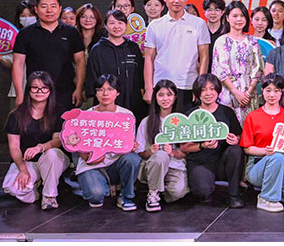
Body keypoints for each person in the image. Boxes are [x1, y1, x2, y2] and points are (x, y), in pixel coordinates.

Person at [2, 71, 70, 210]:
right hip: (28, 162)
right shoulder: (16, 115)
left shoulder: (58, 112)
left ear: (50, 90)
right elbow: (14, 147)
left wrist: (39, 148)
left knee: (52, 154)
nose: (40, 91)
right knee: (13, 188)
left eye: (44, 88)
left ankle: (49, 196)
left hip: (53, 159)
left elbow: (57, 141)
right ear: (28, 90)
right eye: (35, 88)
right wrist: (23, 169)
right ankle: (36, 188)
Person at [75, 74, 142, 210]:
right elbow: (79, 148)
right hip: (92, 165)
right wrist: (88, 157)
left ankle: (126, 196)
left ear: (117, 92)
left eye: (110, 89)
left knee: (132, 159)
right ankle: (102, 185)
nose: (105, 93)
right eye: (101, 89)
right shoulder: (85, 116)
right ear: (96, 93)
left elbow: (127, 143)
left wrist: (131, 145)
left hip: (116, 163)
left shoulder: (126, 115)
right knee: (96, 196)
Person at [12, 0, 85, 115]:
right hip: (36, 92)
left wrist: (79, 88)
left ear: (60, 9)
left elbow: (80, 61)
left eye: (53, 6)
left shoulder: (71, 32)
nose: (49, 10)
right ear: (36, 9)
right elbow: (18, 64)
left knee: (64, 126)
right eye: (44, 6)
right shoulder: (25, 34)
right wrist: (20, 94)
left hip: (65, 91)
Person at [144, 0, 211, 112]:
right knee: (162, 124)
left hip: (189, 86)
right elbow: (148, 58)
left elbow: (204, 57)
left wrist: (200, 86)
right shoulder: (155, 26)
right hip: (162, 86)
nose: (177, 0)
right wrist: (148, 88)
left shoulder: (199, 24)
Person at [241, 74, 284, 212]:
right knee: (277, 156)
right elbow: (247, 149)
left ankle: (269, 187)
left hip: (281, 165)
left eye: (276, 91)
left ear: (282, 92)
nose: (272, 95)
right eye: (268, 90)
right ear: (262, 91)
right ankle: (267, 198)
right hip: (257, 164)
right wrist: (265, 151)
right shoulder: (253, 116)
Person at [180, 74, 244, 207]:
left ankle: (234, 195)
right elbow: (184, 147)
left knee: (236, 150)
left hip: (222, 162)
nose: (208, 93)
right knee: (203, 191)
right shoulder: (190, 115)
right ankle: (206, 187)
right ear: (197, 93)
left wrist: (235, 139)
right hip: (200, 163)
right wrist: (202, 145)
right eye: (203, 90)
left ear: (218, 91)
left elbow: (239, 135)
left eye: (212, 89)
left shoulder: (227, 112)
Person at [135, 79, 189, 212]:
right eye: (161, 95)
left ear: (175, 97)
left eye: (169, 94)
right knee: (160, 155)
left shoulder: (182, 121)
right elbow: (140, 152)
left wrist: (173, 153)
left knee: (178, 192)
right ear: (155, 98)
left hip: (174, 166)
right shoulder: (147, 122)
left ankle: (160, 189)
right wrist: (151, 151)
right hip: (152, 165)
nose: (165, 99)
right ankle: (153, 194)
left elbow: (185, 152)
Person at [85, 9, 146, 121]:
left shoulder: (133, 47)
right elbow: (92, 79)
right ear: (105, 26)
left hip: (132, 100)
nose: (116, 26)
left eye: (120, 23)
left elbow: (140, 75)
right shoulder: (97, 49)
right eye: (112, 23)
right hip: (106, 102)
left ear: (126, 26)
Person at [211, 0, 264, 125]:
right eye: (235, 16)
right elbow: (220, 70)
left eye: (242, 16)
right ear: (227, 18)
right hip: (228, 95)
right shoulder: (221, 41)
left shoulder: (252, 41)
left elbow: (258, 68)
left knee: (249, 129)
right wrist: (236, 92)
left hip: (249, 96)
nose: (239, 19)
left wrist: (248, 93)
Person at [0, 1, 37, 107]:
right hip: (18, 91)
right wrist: (1, 58)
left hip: (41, 90)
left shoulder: (45, 36)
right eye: (23, 16)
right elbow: (12, 62)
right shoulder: (13, 37)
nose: (27, 19)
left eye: (30, 15)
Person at [202, 0, 227, 72]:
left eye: (217, 10)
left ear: (222, 12)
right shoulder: (200, 32)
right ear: (204, 12)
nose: (213, 13)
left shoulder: (227, 33)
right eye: (209, 10)